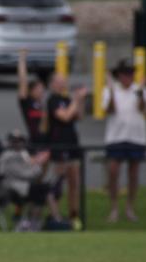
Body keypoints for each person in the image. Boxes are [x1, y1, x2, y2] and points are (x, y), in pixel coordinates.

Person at [102, 59, 146, 223]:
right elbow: (110, 110)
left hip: (136, 136)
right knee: (113, 172)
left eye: (131, 74)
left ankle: (130, 207)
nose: (128, 77)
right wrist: (111, 90)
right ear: (119, 75)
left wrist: (142, 90)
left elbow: (143, 108)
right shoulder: (110, 90)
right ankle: (114, 207)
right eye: (125, 74)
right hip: (116, 136)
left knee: (133, 174)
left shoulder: (139, 90)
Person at [46, 73, 87, 231]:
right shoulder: (52, 101)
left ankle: (73, 214)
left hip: (72, 144)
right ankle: (55, 215)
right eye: (59, 81)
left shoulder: (67, 99)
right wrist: (76, 99)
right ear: (52, 84)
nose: (63, 83)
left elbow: (79, 116)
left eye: (64, 81)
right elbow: (65, 117)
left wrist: (80, 100)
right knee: (57, 183)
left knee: (74, 182)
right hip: (59, 146)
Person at [0, 129, 60, 232]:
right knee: (43, 190)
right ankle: (36, 221)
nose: (18, 143)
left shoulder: (23, 154)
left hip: (23, 187)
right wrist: (38, 163)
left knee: (44, 191)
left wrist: (38, 163)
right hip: (11, 189)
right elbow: (24, 174)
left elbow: (32, 171)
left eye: (20, 140)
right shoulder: (8, 156)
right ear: (10, 142)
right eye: (15, 141)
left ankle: (34, 221)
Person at [17, 49, 47, 149]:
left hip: (48, 143)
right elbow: (23, 80)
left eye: (42, 88)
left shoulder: (44, 104)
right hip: (34, 143)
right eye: (38, 88)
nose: (41, 91)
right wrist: (22, 59)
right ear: (31, 91)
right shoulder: (27, 102)